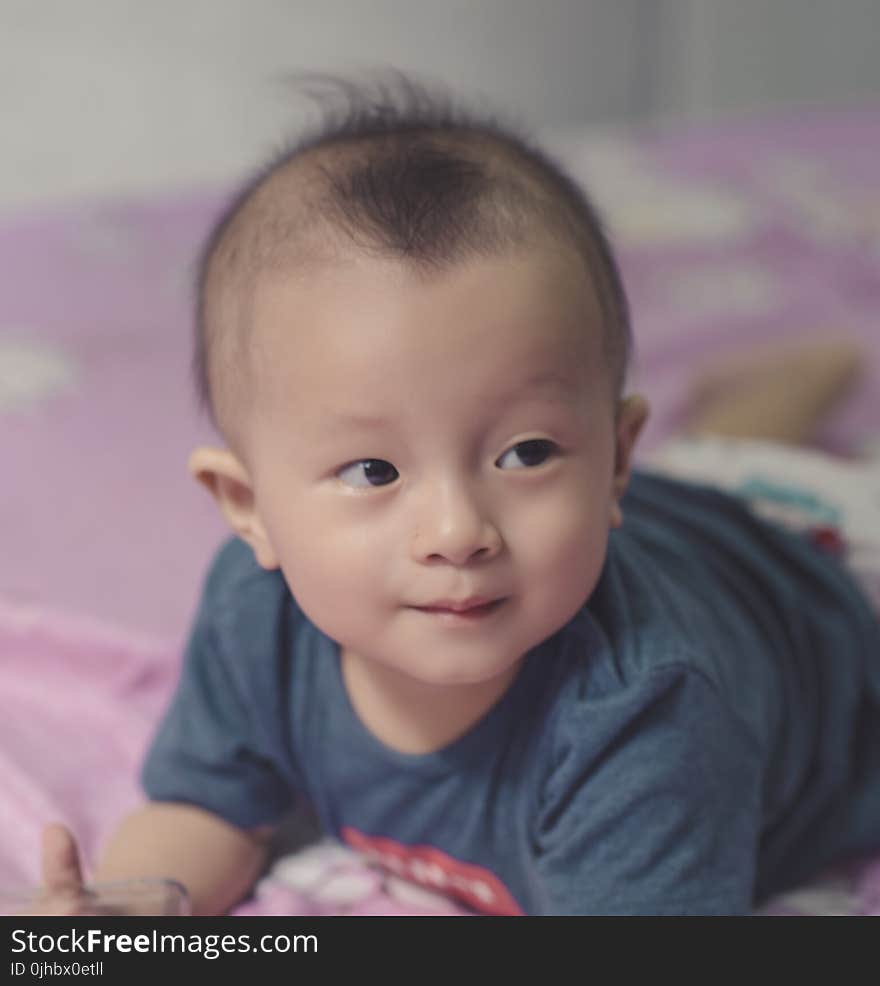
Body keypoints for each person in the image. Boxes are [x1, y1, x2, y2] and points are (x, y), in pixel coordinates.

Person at [39, 76, 880, 916]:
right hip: (683, 521)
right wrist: (129, 916)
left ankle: (790, 391)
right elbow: (206, 807)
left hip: (830, 594)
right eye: (373, 471)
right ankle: (772, 394)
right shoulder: (255, 614)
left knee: (754, 483)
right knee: (709, 466)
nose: (457, 531)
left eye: (526, 452)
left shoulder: (644, 719)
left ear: (616, 461)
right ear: (248, 507)